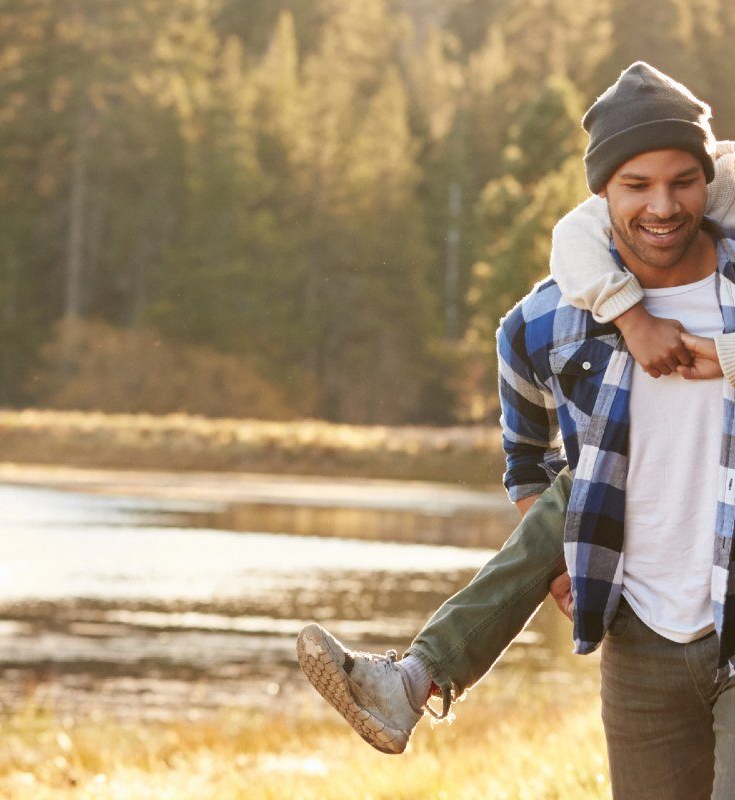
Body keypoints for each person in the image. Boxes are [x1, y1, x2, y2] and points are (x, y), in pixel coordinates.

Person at [297, 62, 735, 798]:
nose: (663, 205)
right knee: (579, 480)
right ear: (601, 194)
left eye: (683, 181)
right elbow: (528, 463)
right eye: (636, 185)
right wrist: (559, 562)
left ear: (710, 177)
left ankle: (415, 675)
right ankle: (412, 680)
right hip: (639, 635)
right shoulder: (545, 320)